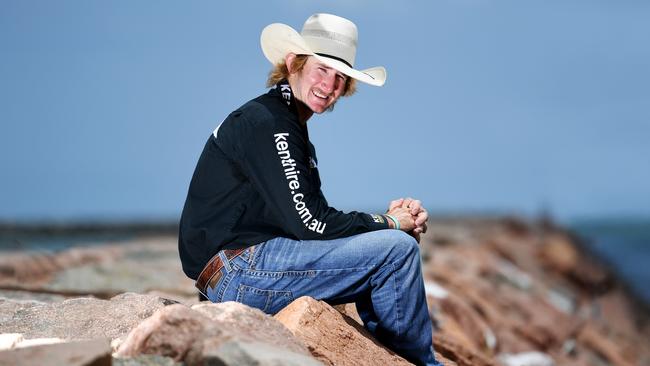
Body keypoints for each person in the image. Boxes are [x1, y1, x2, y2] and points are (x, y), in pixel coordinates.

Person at [178, 13, 442, 366]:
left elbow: (313, 224)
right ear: (293, 64)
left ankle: (389, 352)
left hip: (241, 266)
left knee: (389, 247)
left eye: (340, 77)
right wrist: (390, 224)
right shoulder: (272, 124)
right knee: (397, 251)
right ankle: (423, 363)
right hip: (237, 272)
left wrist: (387, 223)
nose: (329, 85)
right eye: (321, 70)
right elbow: (311, 224)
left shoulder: (282, 121)